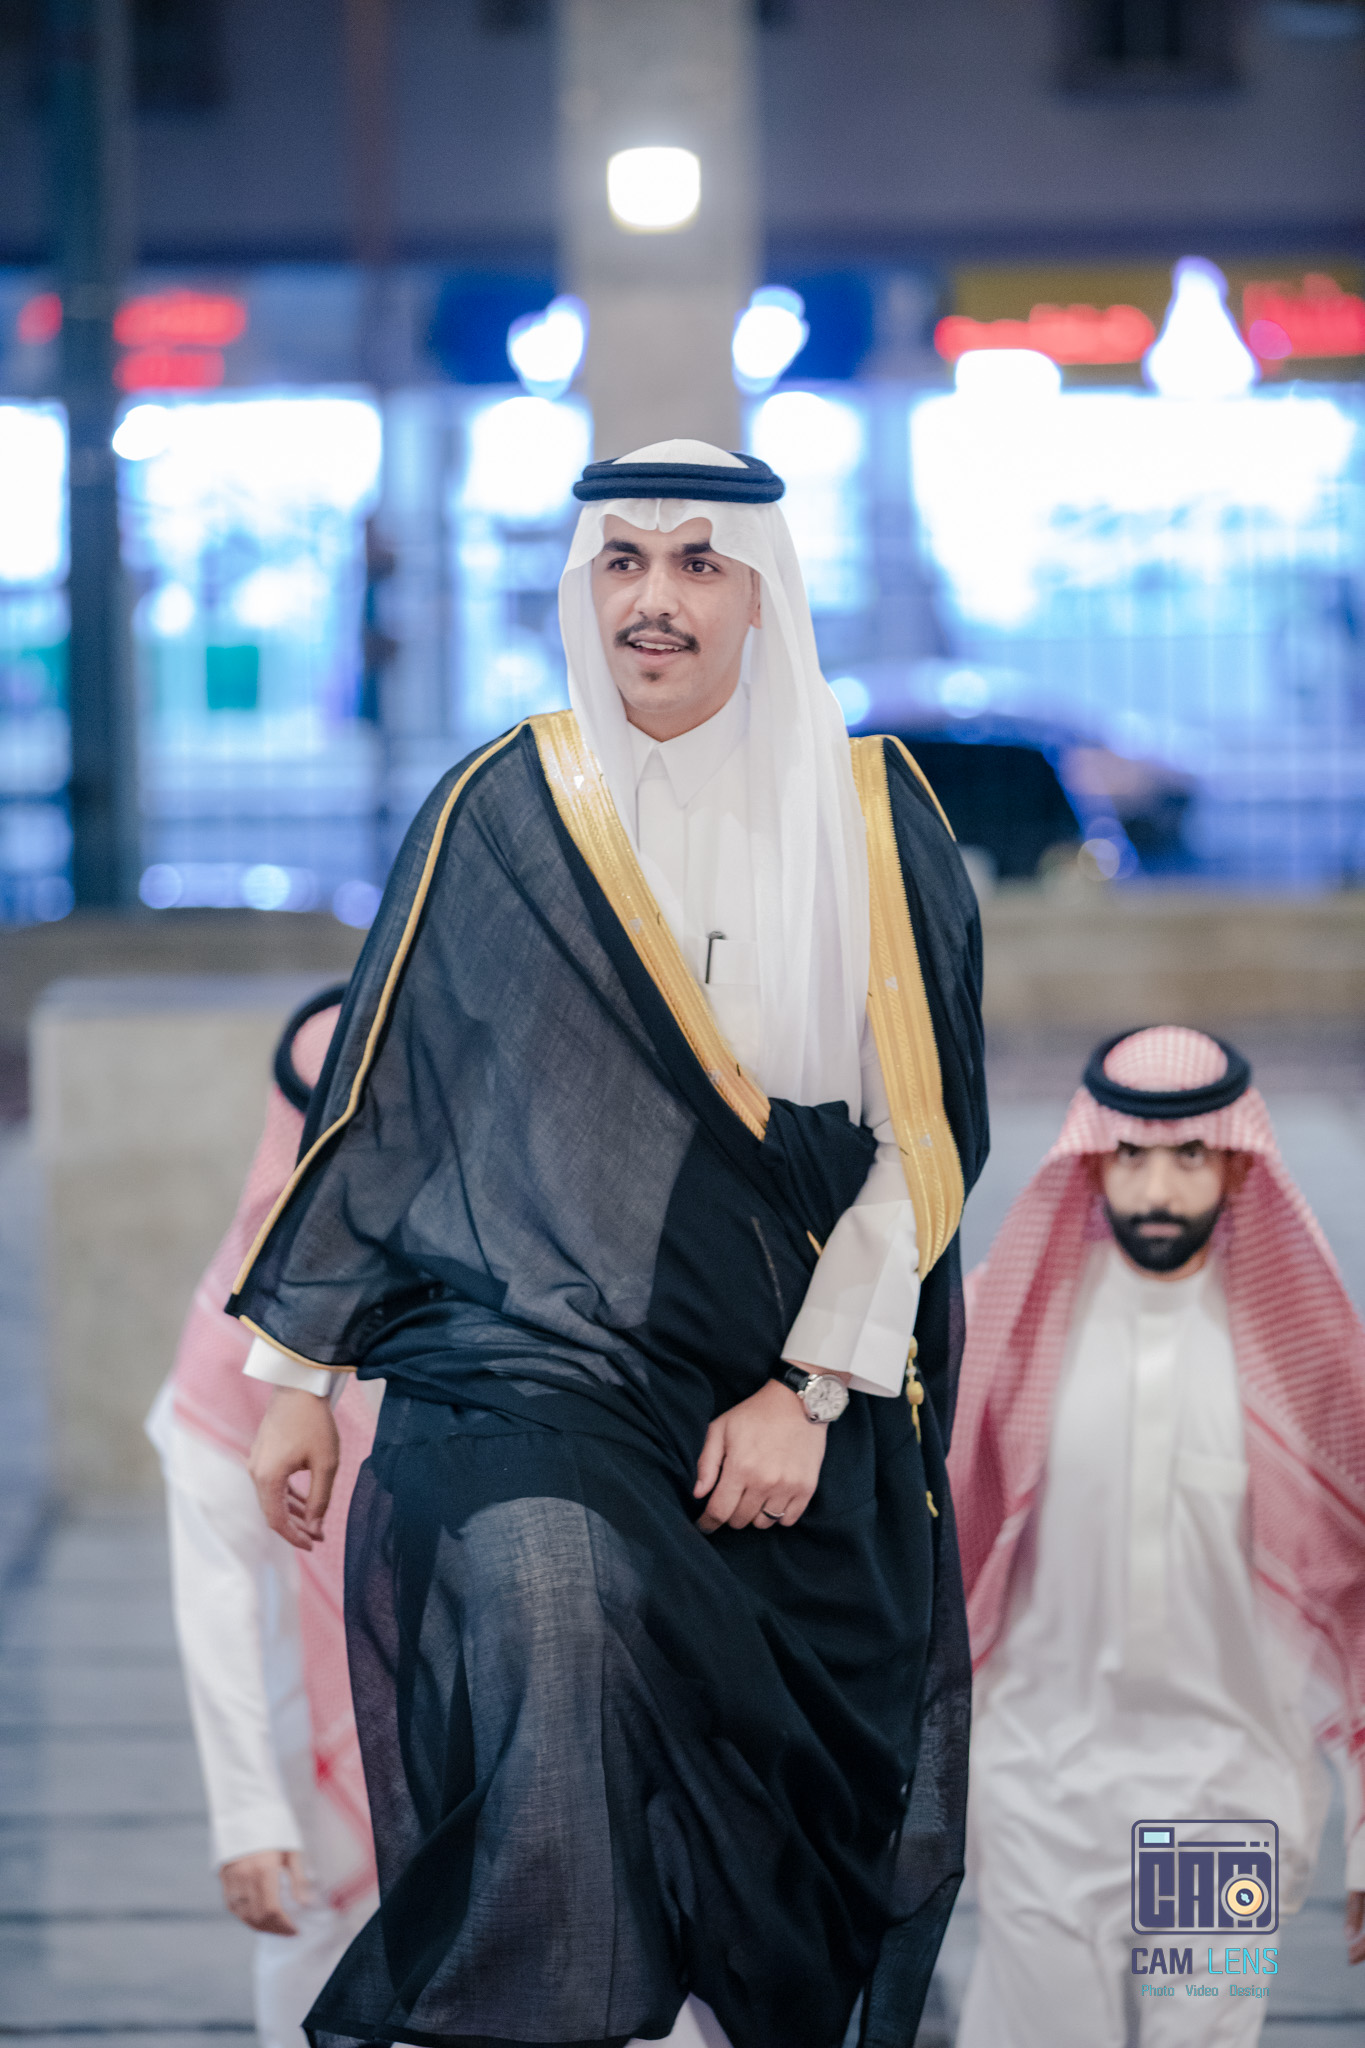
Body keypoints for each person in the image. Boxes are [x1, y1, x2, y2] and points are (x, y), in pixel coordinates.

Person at [230, 442, 989, 2048]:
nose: (655, 600)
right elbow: (390, 1099)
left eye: (699, 563)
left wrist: (809, 1393)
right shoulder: (506, 805)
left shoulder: (872, 818)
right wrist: (296, 1376)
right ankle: (526, 2013)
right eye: (624, 563)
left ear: (764, 594)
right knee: (544, 1605)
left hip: (787, 1383)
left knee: (786, 1860)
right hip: (535, 1351)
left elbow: (922, 1147)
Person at [948, 1024, 1365, 2047]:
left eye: (1191, 1154)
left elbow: (1354, 1602)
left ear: (1239, 1161)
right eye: (1130, 1154)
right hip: (1038, 1785)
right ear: (1092, 1158)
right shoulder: (1011, 1323)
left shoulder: (1298, 1362)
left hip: (1220, 1791)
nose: (1158, 1189)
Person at [148, 989, 380, 2048]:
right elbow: (215, 1590)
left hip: (500, 1709)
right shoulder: (234, 1331)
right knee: (318, 1945)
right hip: (315, 1738)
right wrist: (247, 1817)